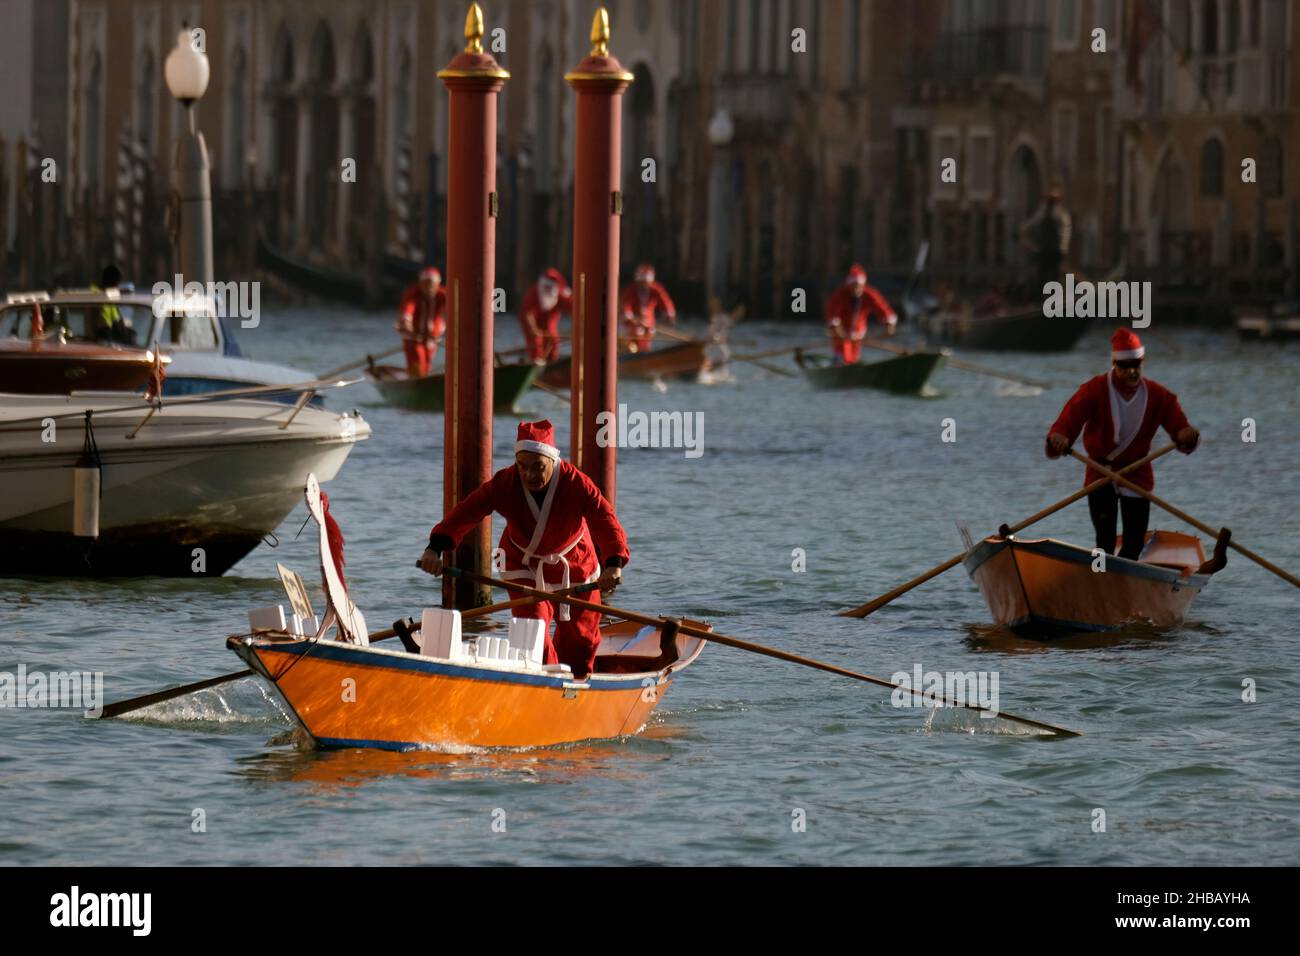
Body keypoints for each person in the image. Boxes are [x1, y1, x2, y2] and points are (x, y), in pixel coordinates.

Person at [417, 420, 628, 679]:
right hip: (523, 563)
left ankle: (577, 687)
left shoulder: (576, 483)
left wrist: (614, 563)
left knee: (582, 640)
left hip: (574, 563)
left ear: (553, 461)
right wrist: (434, 549)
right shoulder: (505, 482)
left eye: (538, 467)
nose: (529, 476)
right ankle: (547, 685)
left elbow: (605, 520)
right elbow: (468, 511)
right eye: (523, 466)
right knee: (532, 633)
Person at [1045, 328, 1200, 560]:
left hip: (1137, 472)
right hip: (1099, 471)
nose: (1132, 371)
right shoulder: (1094, 390)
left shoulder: (1159, 396)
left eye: (1136, 364)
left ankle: (1126, 582)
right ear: (1114, 364)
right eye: (1125, 366)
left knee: (1134, 544)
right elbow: (1068, 420)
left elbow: (1180, 427)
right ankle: (1101, 577)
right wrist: (1059, 437)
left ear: (1142, 362)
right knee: (1105, 540)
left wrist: (1187, 434)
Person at [824, 264, 897, 365]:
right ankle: (839, 361)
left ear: (863, 285)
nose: (856, 289)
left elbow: (883, 308)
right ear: (849, 285)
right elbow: (832, 317)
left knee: (852, 357)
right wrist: (841, 334)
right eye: (853, 286)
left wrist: (889, 325)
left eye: (858, 286)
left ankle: (851, 365)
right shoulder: (840, 295)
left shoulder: (870, 294)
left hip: (859, 331)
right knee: (843, 353)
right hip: (841, 331)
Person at [1019, 185, 1072, 291]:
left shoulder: (1060, 214)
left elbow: (1065, 232)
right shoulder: (1045, 213)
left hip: (1054, 250)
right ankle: (1043, 296)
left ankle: (1052, 296)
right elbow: (1031, 224)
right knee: (1044, 274)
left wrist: (1062, 249)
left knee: (1052, 275)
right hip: (1047, 249)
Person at [396, 267, 447, 377]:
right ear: (420, 283)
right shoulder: (413, 293)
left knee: (427, 364)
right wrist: (406, 321)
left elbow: (455, 310)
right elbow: (408, 308)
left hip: (432, 338)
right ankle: (416, 380)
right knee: (417, 360)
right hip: (413, 337)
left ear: (438, 284)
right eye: (426, 284)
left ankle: (422, 379)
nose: (429, 288)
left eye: (432, 285)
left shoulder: (443, 295)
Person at [619, 263, 676, 353]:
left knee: (649, 332)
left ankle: (644, 353)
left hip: (648, 322)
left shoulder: (656, 289)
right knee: (638, 332)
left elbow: (665, 301)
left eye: (647, 283)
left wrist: (669, 314)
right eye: (642, 283)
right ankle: (631, 352)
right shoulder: (631, 290)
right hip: (632, 322)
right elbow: (626, 305)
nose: (644, 286)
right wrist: (631, 318)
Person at [520, 268, 571, 364]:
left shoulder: (560, 294)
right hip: (534, 323)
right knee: (536, 341)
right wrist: (533, 329)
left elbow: (573, 308)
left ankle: (552, 363)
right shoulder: (534, 292)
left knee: (553, 340)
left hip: (549, 323)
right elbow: (527, 313)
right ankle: (536, 361)